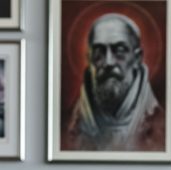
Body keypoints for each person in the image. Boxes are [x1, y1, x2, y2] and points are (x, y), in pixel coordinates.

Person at [64, 13, 165, 152]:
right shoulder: (67, 126)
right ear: (89, 59)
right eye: (99, 52)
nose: (109, 62)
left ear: (137, 59)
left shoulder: (161, 126)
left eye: (119, 51)